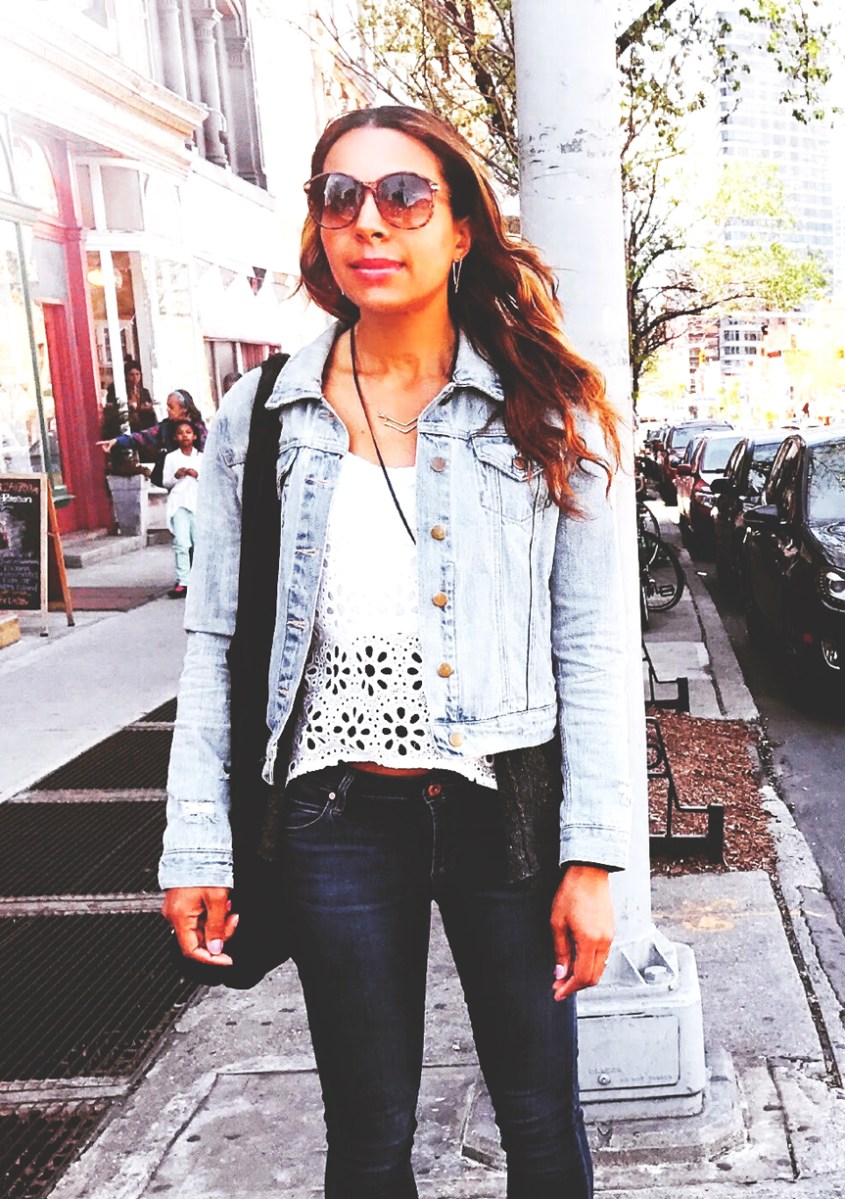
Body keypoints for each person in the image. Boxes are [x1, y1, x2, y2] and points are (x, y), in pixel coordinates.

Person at [161, 104, 632, 1198]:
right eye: (341, 197)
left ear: (459, 227)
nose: (369, 222)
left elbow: (591, 646)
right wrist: (196, 842)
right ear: (319, 225)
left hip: (505, 802)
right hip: (333, 816)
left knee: (540, 1123)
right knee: (367, 1139)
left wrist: (594, 858)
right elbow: (216, 638)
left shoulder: (544, 408)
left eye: (403, 195)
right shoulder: (262, 414)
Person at [97, 389, 207, 483]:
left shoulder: (199, 430)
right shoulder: (165, 427)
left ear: (184, 409)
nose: (167, 409)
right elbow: (142, 437)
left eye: (171, 407)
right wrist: (117, 441)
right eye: (167, 406)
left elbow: (206, 456)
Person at [161, 420, 202, 599]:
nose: (184, 435)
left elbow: (210, 480)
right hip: (179, 504)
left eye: (188, 432)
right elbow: (166, 482)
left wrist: (197, 475)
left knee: (200, 543)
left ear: (195, 436)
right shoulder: (171, 458)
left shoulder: (202, 458)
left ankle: (201, 580)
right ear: (175, 437)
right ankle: (183, 581)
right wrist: (177, 476)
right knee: (182, 543)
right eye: (180, 432)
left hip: (198, 503)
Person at [101, 359, 156, 439]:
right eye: (131, 375)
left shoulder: (144, 392)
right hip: (125, 427)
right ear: (126, 376)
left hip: (142, 428)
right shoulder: (117, 391)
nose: (135, 378)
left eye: (137, 374)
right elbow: (113, 409)